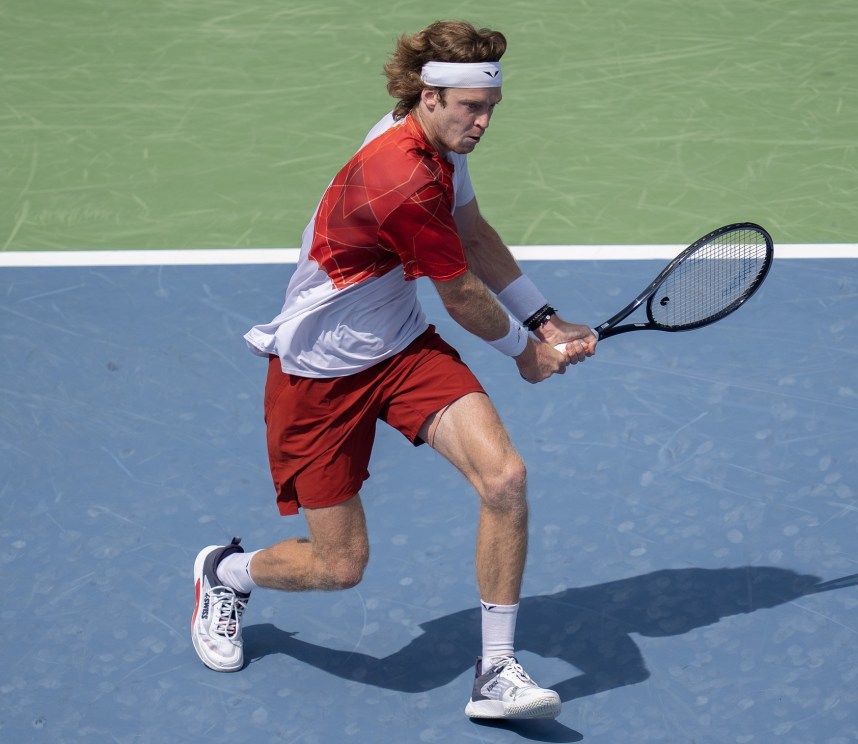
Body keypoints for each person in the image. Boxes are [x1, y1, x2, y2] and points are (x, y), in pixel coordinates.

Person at [190, 20, 596, 721]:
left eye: (491, 107)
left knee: (505, 478)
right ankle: (224, 573)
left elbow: (475, 234)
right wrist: (528, 358)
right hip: (318, 378)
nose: (484, 122)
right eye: (471, 108)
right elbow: (461, 291)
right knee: (338, 567)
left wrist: (544, 320)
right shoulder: (399, 175)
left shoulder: (440, 143)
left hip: (402, 351)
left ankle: (495, 671)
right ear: (429, 96)